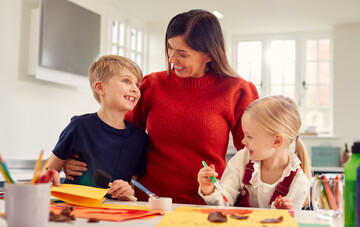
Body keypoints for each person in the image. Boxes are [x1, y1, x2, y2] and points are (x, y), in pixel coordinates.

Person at [63, 9, 259, 204]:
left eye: (182, 53)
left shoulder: (238, 91)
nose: (172, 59)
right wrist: (79, 161)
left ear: (208, 55)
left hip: (208, 202)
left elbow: (253, 155)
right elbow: (118, 137)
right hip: (149, 201)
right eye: (170, 48)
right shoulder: (151, 85)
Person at [45, 55, 148, 200]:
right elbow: (48, 170)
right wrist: (49, 175)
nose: (134, 89)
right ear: (100, 87)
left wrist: (128, 192)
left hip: (115, 214)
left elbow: (132, 187)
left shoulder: (140, 138)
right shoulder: (79, 126)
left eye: (137, 84)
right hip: (75, 208)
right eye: (126, 81)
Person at [197, 95, 312, 210]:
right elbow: (225, 202)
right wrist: (210, 190)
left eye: (249, 136)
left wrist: (285, 212)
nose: (243, 141)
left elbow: (290, 224)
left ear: (276, 141)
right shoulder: (242, 159)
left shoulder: (299, 183)